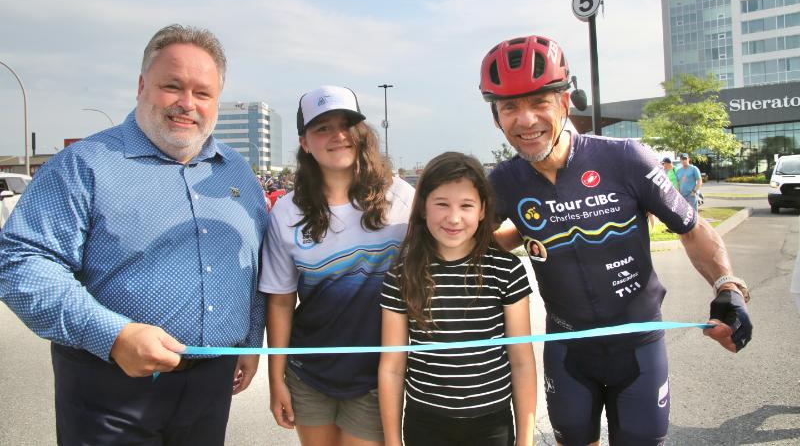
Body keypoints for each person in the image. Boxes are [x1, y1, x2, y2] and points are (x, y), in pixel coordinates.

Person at [0, 24, 268, 444]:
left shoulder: (237, 172)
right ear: (142, 85)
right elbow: (21, 264)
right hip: (108, 389)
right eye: (172, 86)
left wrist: (251, 341)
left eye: (202, 93)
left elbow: (253, 264)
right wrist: (113, 335)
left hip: (211, 387)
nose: (186, 104)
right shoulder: (82, 165)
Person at [479, 34, 752, 446]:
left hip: (638, 347)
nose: (526, 119)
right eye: (510, 107)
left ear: (565, 102)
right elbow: (477, 245)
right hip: (568, 351)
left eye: (539, 102)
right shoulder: (502, 183)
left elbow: (692, 228)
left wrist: (727, 287)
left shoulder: (624, 158)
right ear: (496, 117)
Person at [260, 85, 415, 446]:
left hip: (376, 375)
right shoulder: (287, 212)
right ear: (304, 142)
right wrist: (275, 380)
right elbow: (281, 301)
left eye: (347, 124)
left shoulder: (400, 197)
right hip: (308, 372)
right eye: (322, 128)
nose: (338, 136)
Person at [379, 152, 537, 446]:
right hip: (425, 422)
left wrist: (525, 439)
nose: (453, 218)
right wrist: (392, 440)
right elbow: (392, 365)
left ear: (482, 210)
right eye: (441, 204)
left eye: (466, 205)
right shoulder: (402, 274)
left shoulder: (506, 271)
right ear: (424, 207)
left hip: (492, 423)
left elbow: (522, 361)